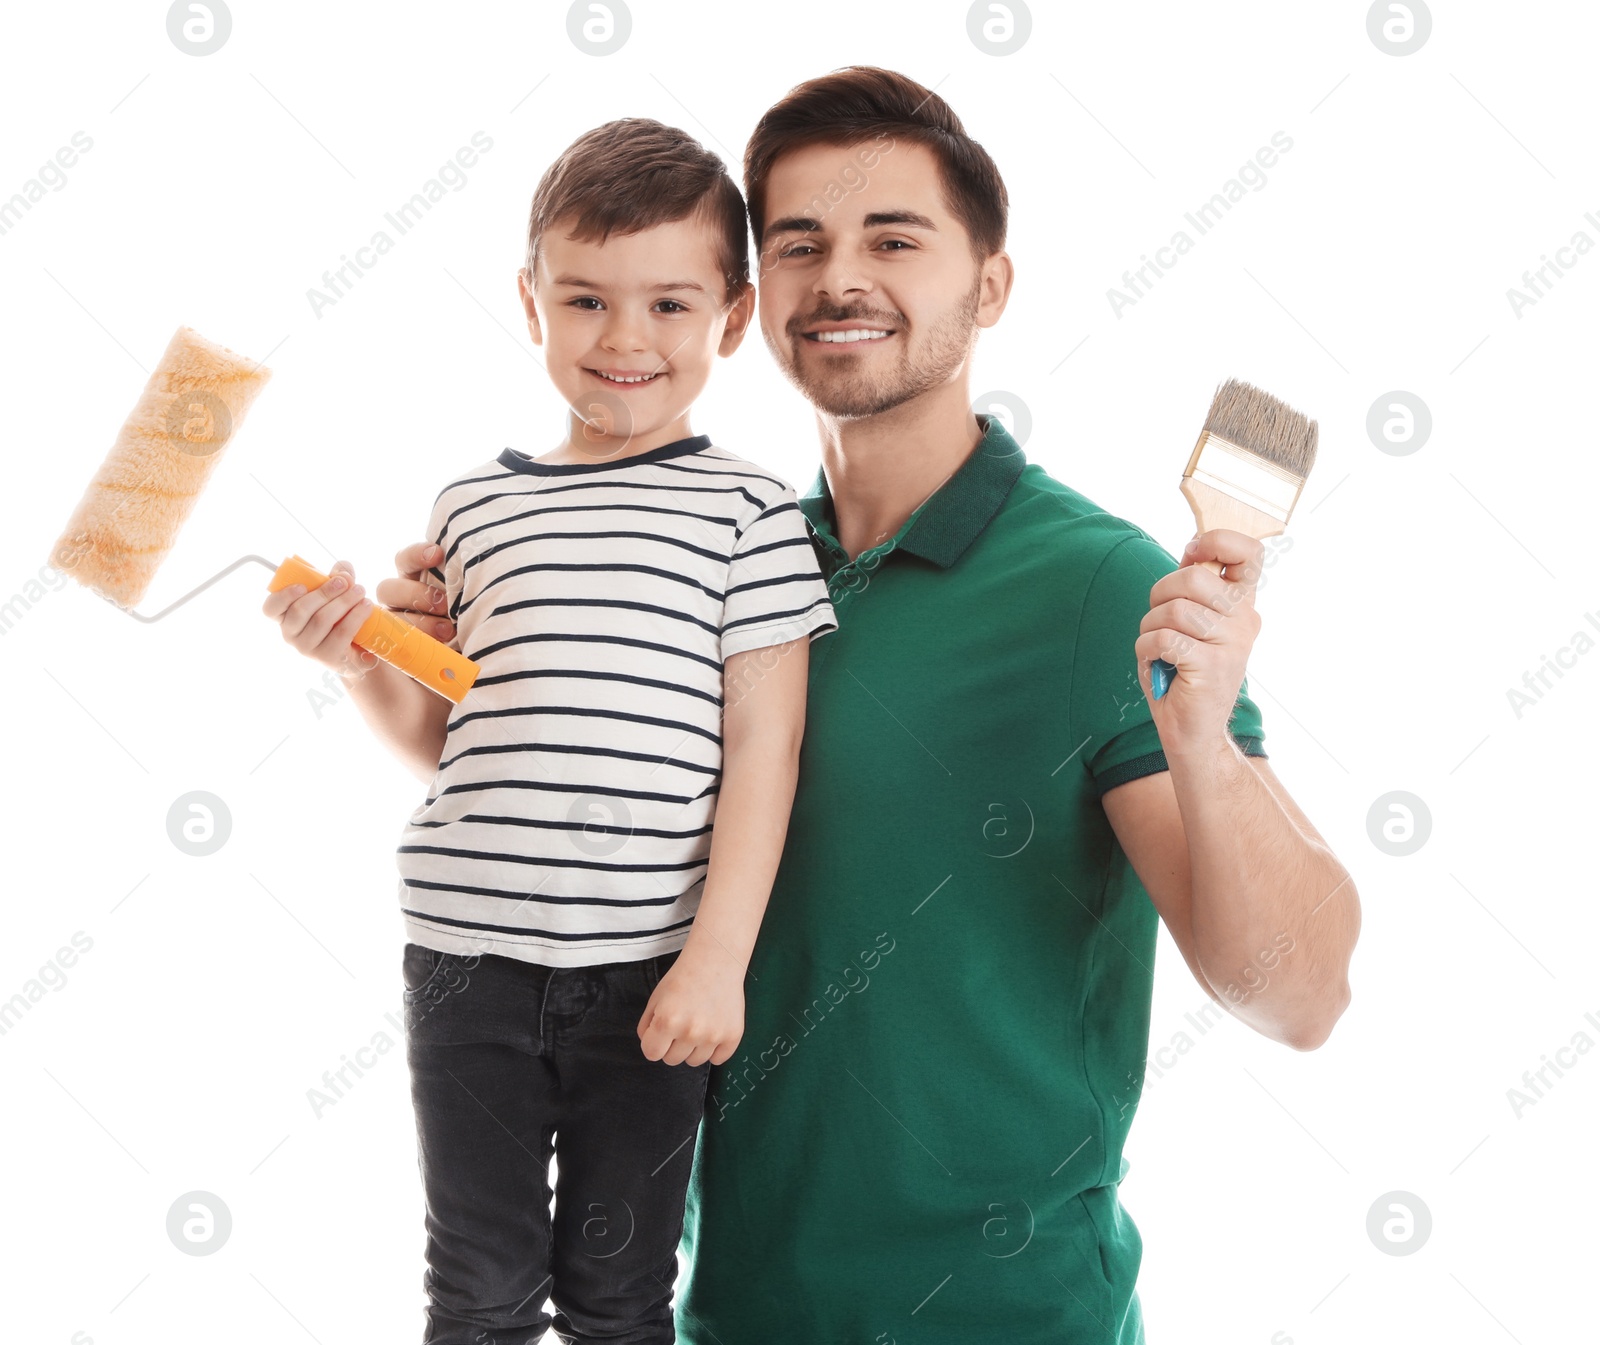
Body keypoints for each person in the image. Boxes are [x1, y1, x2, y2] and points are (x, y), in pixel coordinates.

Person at [377, 68, 1362, 1343]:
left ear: (989, 284)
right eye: (800, 244)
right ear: (756, 301)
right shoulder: (729, 563)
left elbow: (1300, 998)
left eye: (894, 239)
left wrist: (1201, 744)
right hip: (719, 1314)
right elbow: (581, 815)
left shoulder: (1097, 586)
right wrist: (413, 664)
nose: (841, 278)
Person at [262, 117, 837, 1344]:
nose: (624, 341)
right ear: (530, 304)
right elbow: (454, 736)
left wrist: (718, 958)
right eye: (584, 300)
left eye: (668, 306)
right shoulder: (471, 506)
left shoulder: (748, 512)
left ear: (731, 319)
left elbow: (767, 751)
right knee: (474, 1282)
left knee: (618, 1293)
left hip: (651, 971)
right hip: (462, 955)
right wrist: (357, 659)